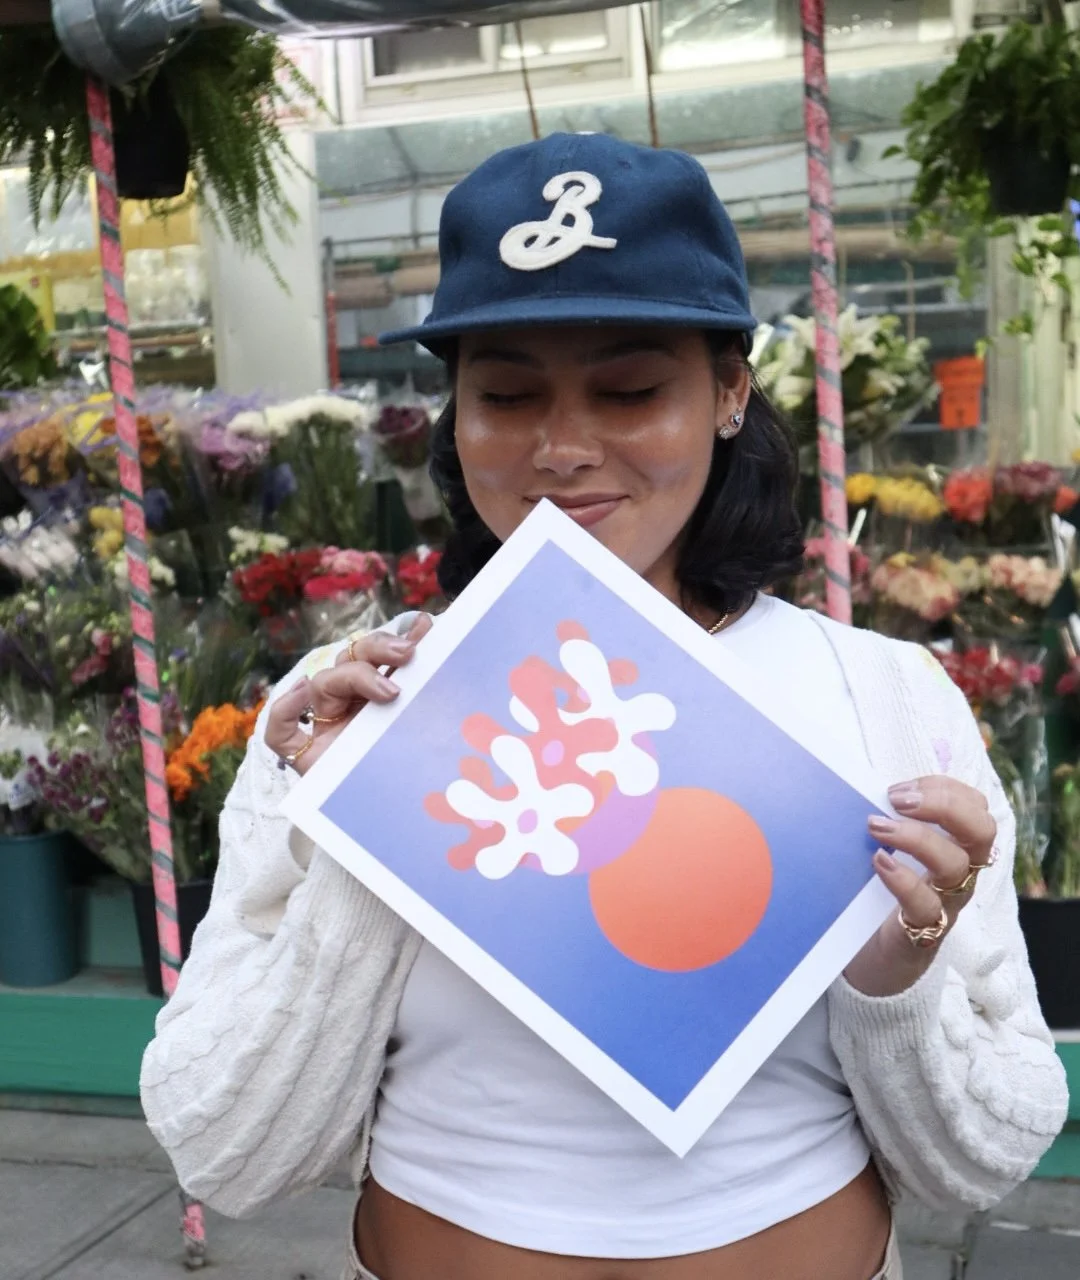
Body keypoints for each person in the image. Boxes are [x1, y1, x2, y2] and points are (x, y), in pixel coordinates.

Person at [141, 134, 1068, 1280]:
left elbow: (987, 1154)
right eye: (506, 393)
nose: (562, 448)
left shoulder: (884, 696)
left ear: (730, 392)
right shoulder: (347, 705)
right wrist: (359, 835)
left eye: (631, 390)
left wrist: (897, 973)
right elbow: (222, 1148)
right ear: (454, 413)